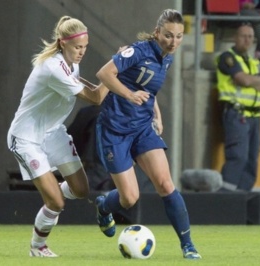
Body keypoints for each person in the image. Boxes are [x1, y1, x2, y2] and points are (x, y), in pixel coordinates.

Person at [94, 9, 201, 260]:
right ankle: (103, 205)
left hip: (142, 128)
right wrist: (129, 95)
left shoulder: (167, 57)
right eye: (168, 36)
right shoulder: (138, 51)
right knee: (129, 198)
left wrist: (156, 113)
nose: (173, 42)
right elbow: (104, 74)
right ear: (157, 33)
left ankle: (188, 245)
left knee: (165, 183)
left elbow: (146, 88)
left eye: (178, 36)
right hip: (114, 130)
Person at [7, 16, 108, 257]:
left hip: (53, 133)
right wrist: (115, 69)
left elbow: (90, 88)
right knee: (57, 203)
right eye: (77, 47)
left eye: (85, 47)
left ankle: (51, 198)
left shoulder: (71, 64)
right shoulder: (53, 67)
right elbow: (96, 98)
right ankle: (37, 246)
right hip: (26, 138)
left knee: (82, 190)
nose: (82, 52)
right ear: (63, 43)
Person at [215, 23, 260, 192]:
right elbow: (244, 80)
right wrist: (257, 80)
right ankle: (225, 199)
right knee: (238, 157)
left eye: (250, 37)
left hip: (255, 117)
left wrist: (252, 80)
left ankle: (243, 201)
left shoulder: (254, 61)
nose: (247, 40)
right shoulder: (227, 57)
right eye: (243, 36)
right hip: (237, 114)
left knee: (251, 159)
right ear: (235, 37)